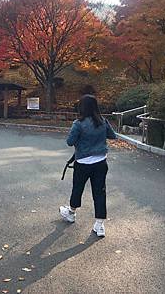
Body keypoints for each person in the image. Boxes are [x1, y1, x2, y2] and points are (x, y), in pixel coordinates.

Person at [59, 94, 116, 237]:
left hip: (83, 163)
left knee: (78, 188)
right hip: (101, 163)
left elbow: (70, 142)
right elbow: (113, 136)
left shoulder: (78, 124)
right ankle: (99, 225)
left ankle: (71, 213)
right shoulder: (103, 121)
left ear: (82, 107)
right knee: (100, 192)